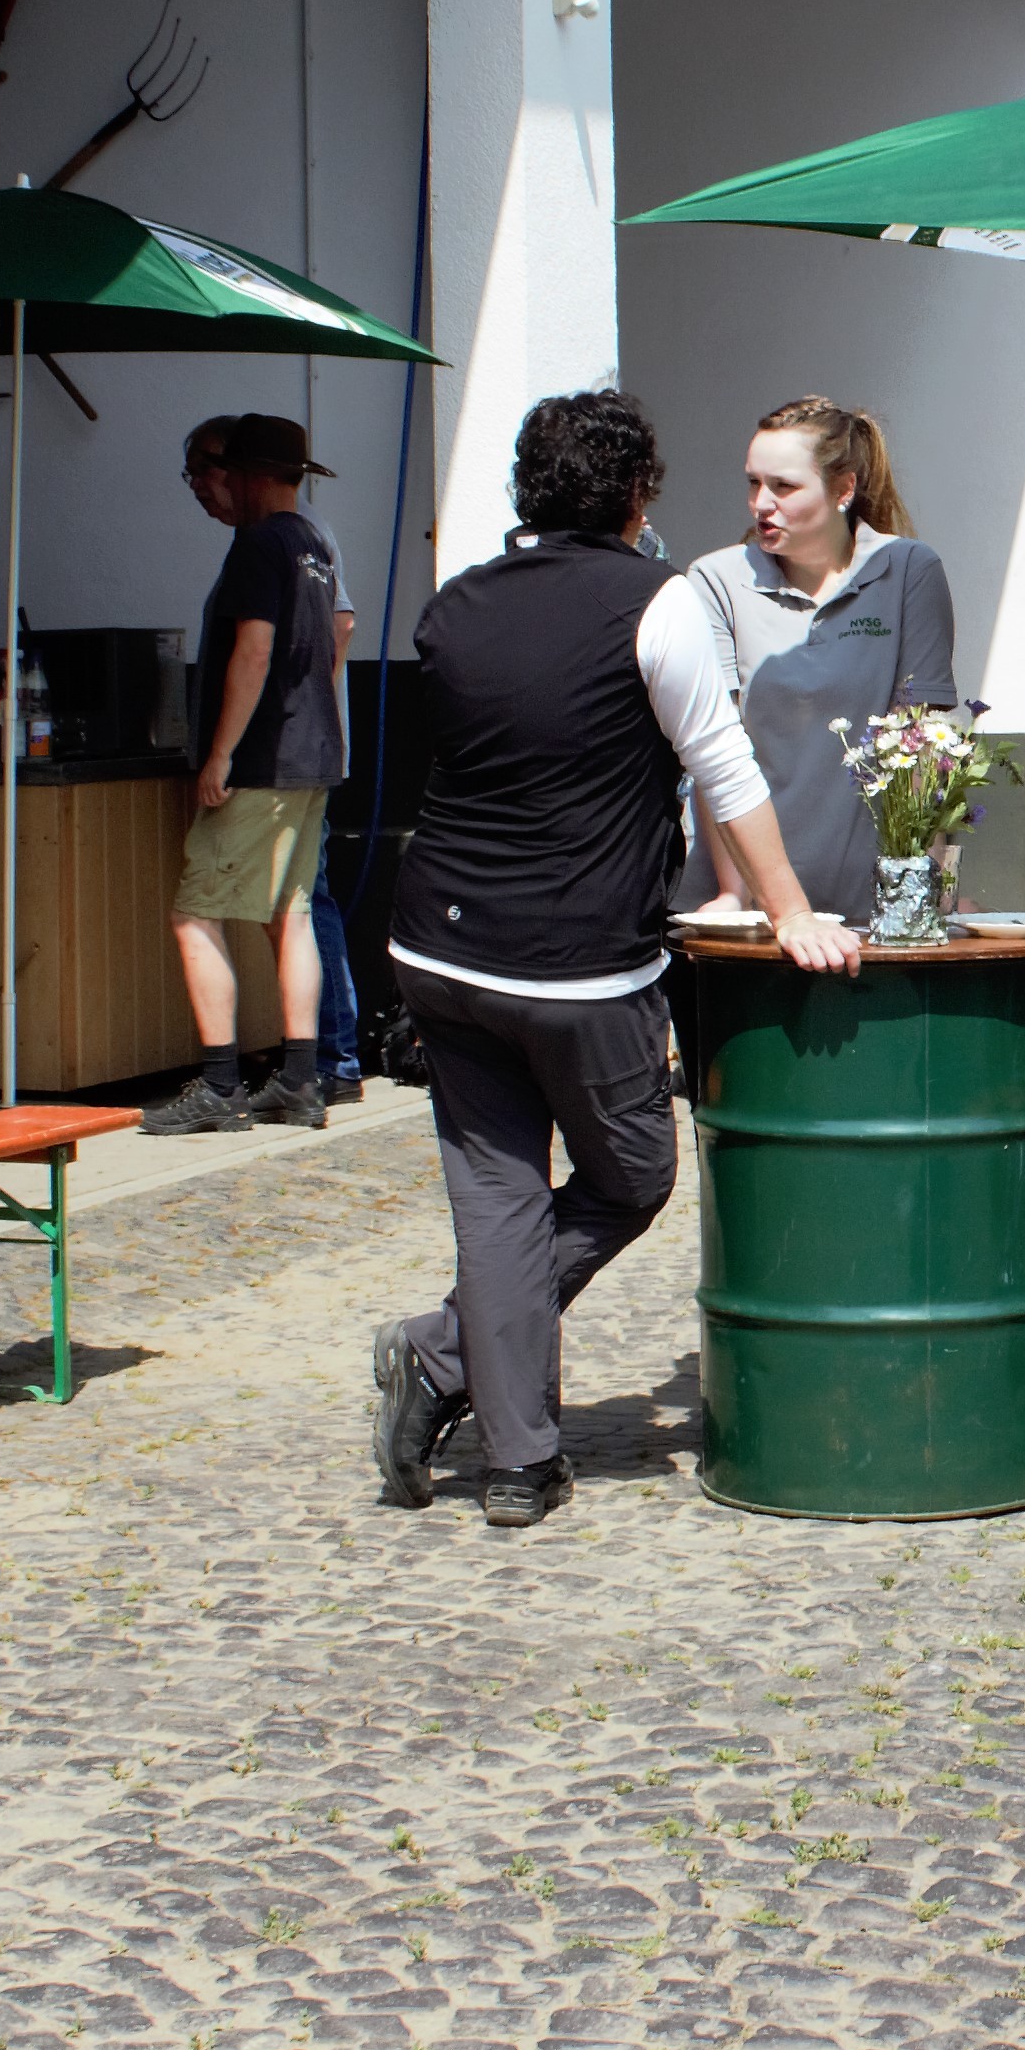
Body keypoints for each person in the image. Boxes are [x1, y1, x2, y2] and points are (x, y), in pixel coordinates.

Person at [370, 390, 860, 1529]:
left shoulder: (455, 604)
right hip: (576, 959)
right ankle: (441, 1358)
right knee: (631, 1175)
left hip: (439, 946)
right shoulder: (659, 601)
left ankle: (516, 1463)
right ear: (638, 493)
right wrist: (789, 910)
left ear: (525, 489)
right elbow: (723, 767)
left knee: (496, 1200)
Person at [670, 396, 961, 927]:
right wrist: (737, 894)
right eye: (753, 483)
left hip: (872, 904)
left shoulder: (907, 570)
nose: (761, 503)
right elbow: (715, 747)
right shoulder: (716, 580)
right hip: (753, 908)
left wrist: (929, 887)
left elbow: (919, 746)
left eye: (783, 486)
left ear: (844, 489)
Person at [142, 417, 349, 1135]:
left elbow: (253, 651)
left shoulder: (259, 544)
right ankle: (300, 1080)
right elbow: (335, 638)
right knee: (292, 914)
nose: (220, 482)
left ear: (253, 474)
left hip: (262, 761)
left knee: (195, 912)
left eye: (227, 470)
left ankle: (221, 1085)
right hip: (314, 755)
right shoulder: (314, 545)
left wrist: (221, 752)